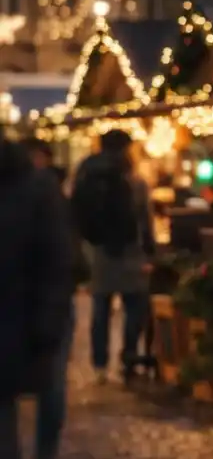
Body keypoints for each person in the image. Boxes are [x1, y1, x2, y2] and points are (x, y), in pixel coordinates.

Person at [0, 132, 75, 459]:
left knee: (6, 419)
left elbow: (56, 261)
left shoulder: (34, 188)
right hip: (21, 321)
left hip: (17, 323)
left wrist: (46, 325)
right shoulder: (37, 187)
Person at [15, 138, 74, 459]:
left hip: (47, 305)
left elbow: (64, 256)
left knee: (52, 388)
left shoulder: (52, 196)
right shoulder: (48, 195)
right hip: (31, 305)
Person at [71, 130, 154, 383]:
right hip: (129, 251)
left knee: (101, 309)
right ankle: (128, 358)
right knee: (134, 306)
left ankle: (99, 364)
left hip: (97, 251)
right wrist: (150, 251)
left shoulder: (86, 174)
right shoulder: (134, 179)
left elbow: (75, 212)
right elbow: (145, 220)